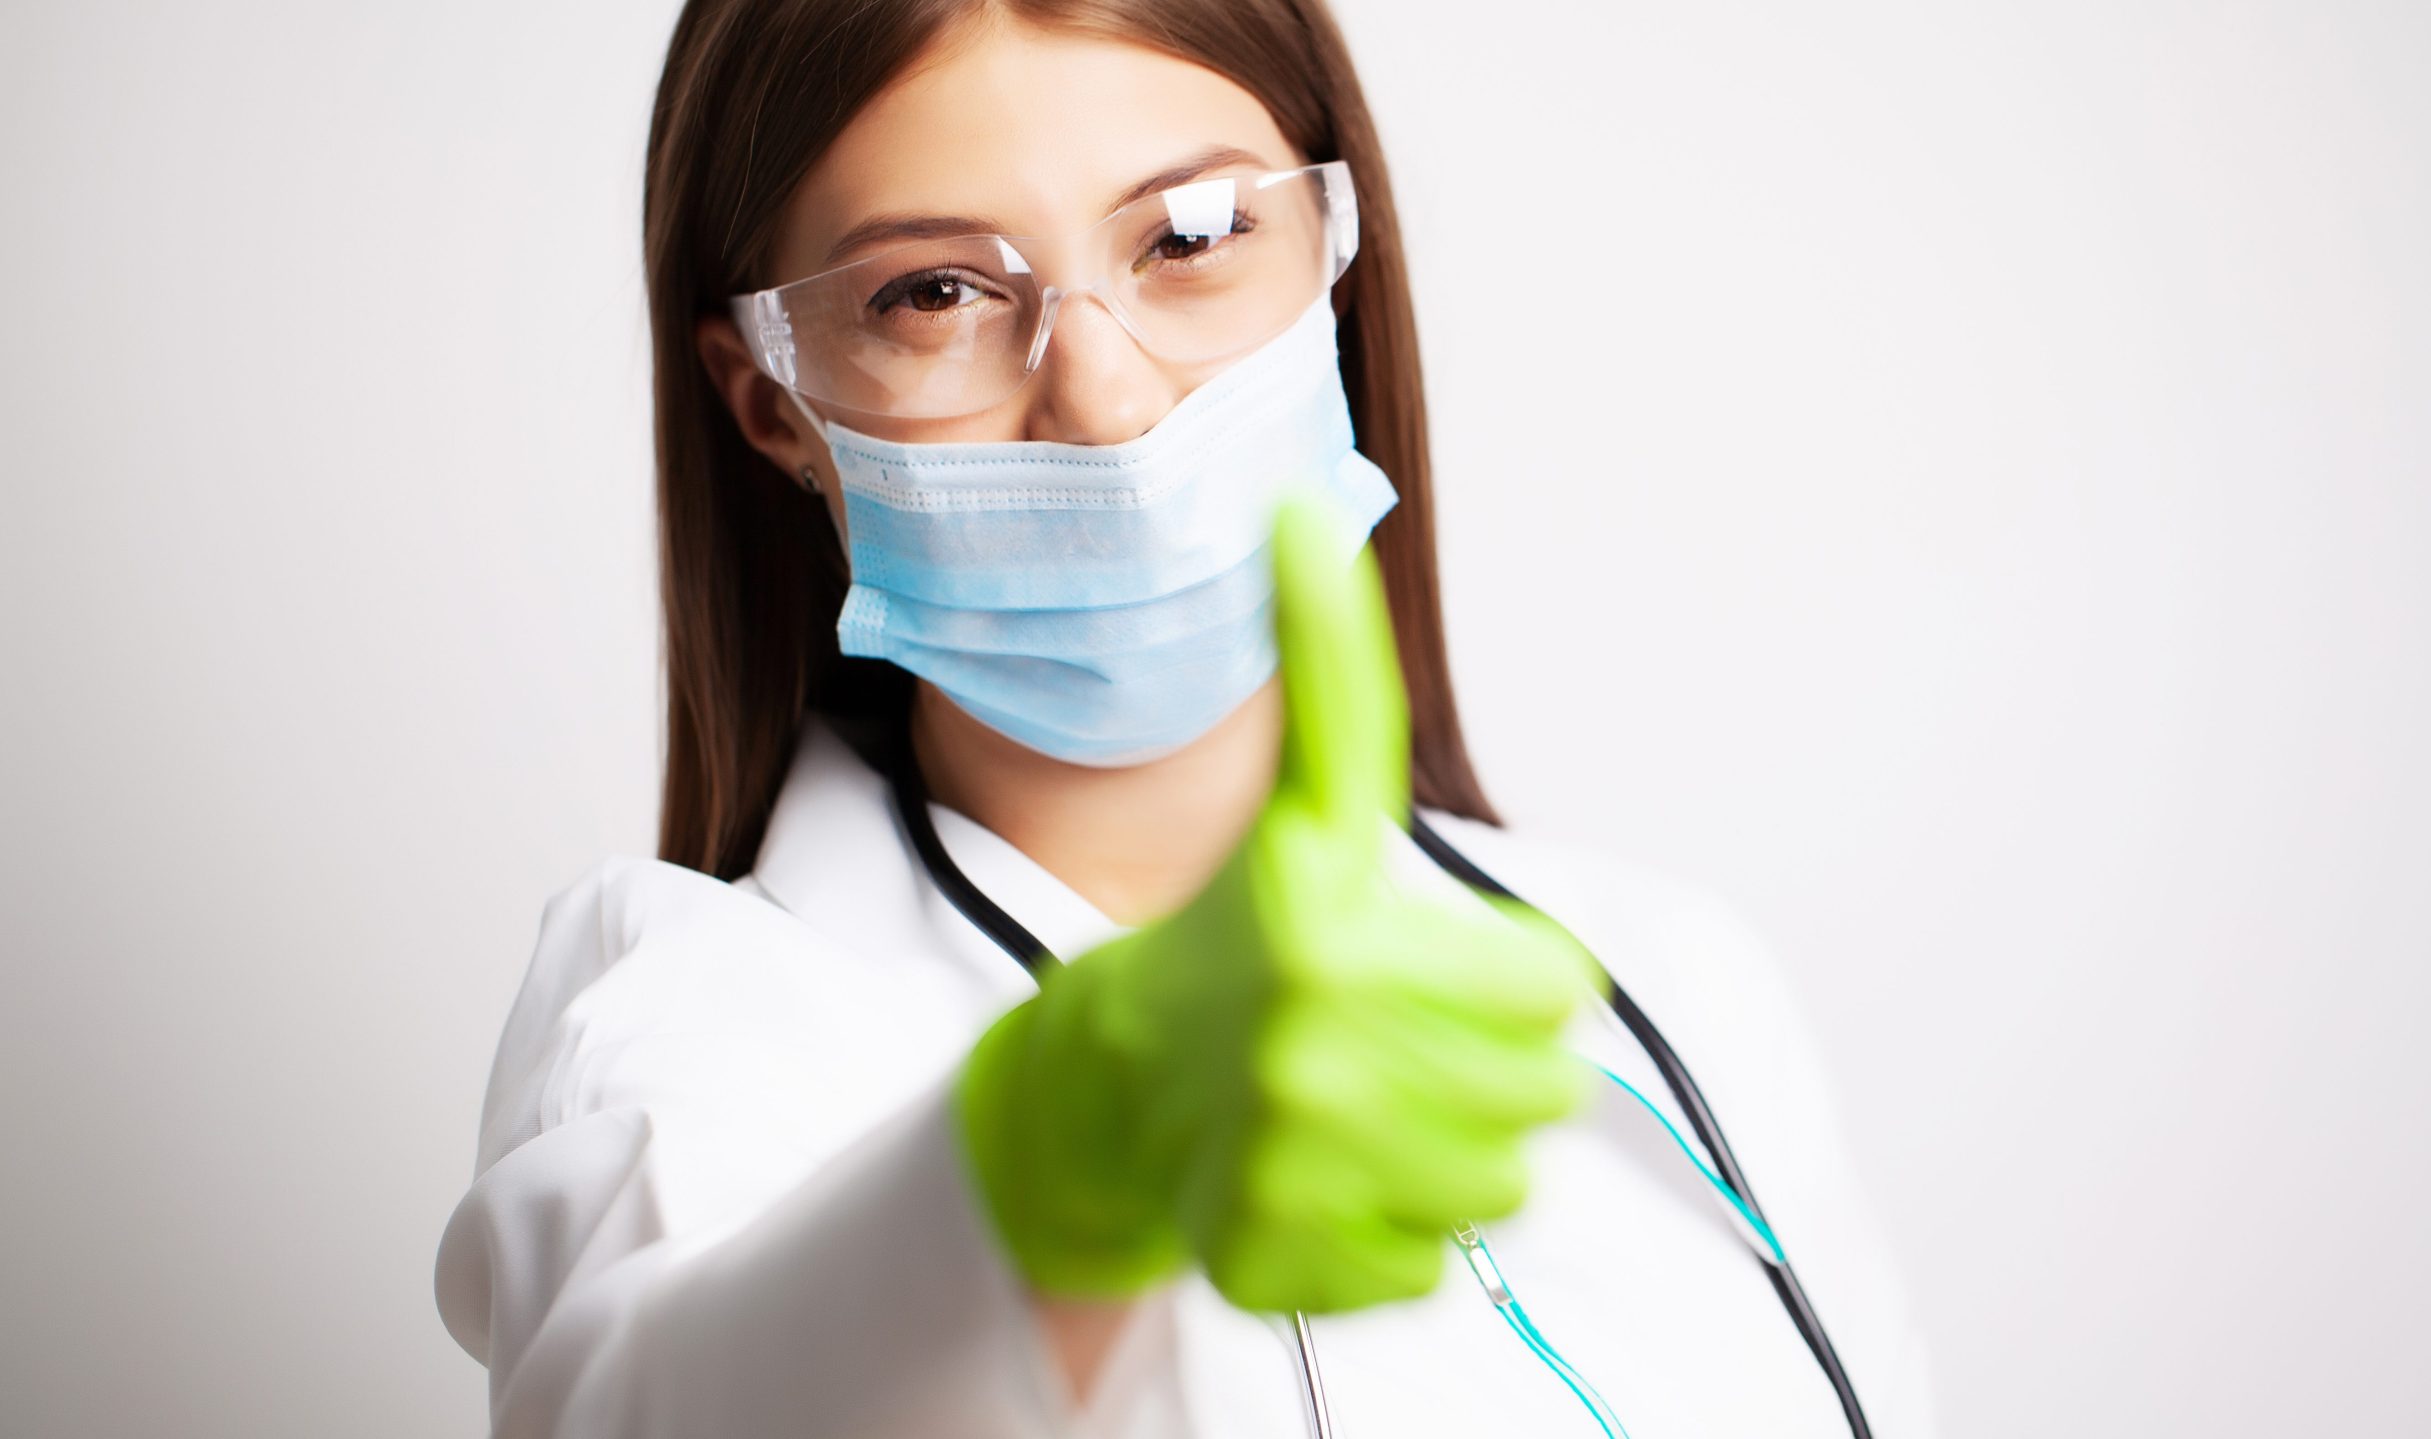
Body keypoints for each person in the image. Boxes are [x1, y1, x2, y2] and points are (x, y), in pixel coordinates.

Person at [432, 1, 1938, 1434]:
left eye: (1196, 235)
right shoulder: (682, 1029)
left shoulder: (1669, 978)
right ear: (772, 403)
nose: (1105, 397)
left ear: (1335, 254)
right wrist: (1042, 1173)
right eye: (934, 293)